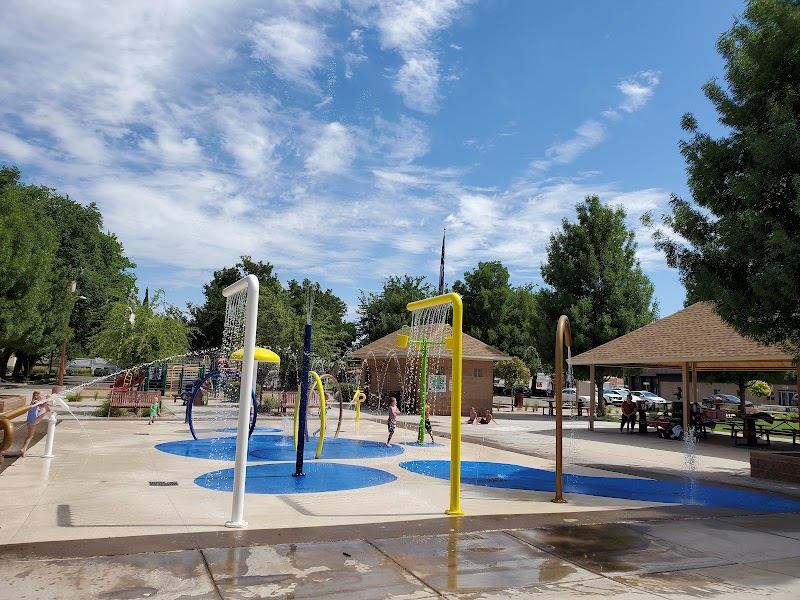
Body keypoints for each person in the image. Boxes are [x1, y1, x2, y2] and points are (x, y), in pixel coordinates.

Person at [20, 391, 50, 457]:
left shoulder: (36, 402)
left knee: (30, 436)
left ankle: (23, 449)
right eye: (41, 395)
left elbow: (42, 405)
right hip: (32, 420)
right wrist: (47, 399)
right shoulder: (35, 402)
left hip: (31, 420)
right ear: (36, 396)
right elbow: (43, 406)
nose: (42, 396)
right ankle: (23, 449)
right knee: (45, 408)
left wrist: (46, 400)